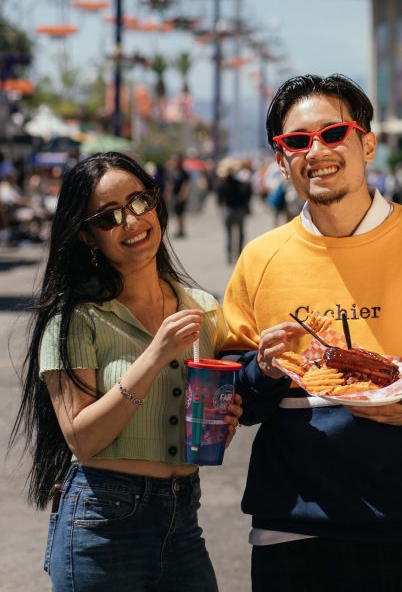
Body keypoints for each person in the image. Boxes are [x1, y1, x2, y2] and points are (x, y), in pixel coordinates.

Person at [220, 74, 402, 592]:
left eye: (333, 133)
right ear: (282, 160)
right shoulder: (259, 260)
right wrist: (260, 372)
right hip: (289, 526)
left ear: (367, 142)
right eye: (298, 141)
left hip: (401, 524)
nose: (317, 151)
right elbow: (233, 397)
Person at [10, 152, 242, 591]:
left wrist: (224, 419)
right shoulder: (76, 318)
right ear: (87, 236)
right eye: (109, 216)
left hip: (183, 518)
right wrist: (153, 358)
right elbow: (82, 438)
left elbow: (209, 404)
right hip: (102, 523)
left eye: (139, 202)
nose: (132, 222)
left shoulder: (203, 308)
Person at [216, 157, 253, 263]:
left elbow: (219, 200)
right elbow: (246, 194)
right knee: (240, 232)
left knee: (229, 234)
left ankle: (229, 256)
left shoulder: (222, 184)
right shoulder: (239, 183)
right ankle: (239, 254)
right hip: (239, 210)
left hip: (228, 210)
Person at [166, 154, 191, 238]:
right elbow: (171, 183)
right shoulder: (173, 172)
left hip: (181, 196)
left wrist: (182, 195)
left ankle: (181, 230)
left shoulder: (184, 172)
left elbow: (186, 184)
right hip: (175, 195)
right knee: (177, 214)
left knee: (180, 214)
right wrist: (168, 193)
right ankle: (179, 230)